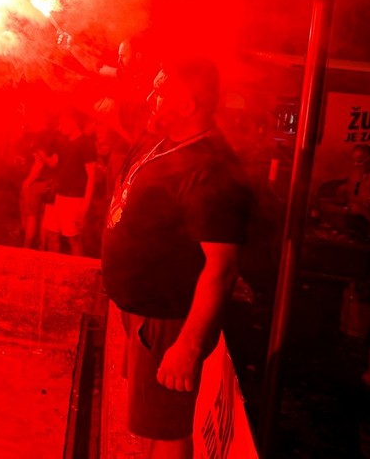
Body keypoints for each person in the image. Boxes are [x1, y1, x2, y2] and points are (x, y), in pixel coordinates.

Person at [100, 58, 252, 458]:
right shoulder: (162, 139)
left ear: (187, 104)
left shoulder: (211, 171)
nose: (150, 98)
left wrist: (188, 346)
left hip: (169, 321)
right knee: (150, 420)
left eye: (160, 91)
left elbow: (222, 267)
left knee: (168, 428)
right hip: (142, 312)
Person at [42, 110, 98, 256]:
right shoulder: (63, 142)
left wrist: (85, 207)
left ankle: (78, 268)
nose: (60, 127)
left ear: (73, 123)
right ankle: (54, 266)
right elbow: (56, 163)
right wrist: (44, 158)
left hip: (74, 198)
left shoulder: (86, 143)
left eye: (63, 123)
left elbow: (92, 177)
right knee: (52, 235)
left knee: (74, 239)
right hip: (57, 196)